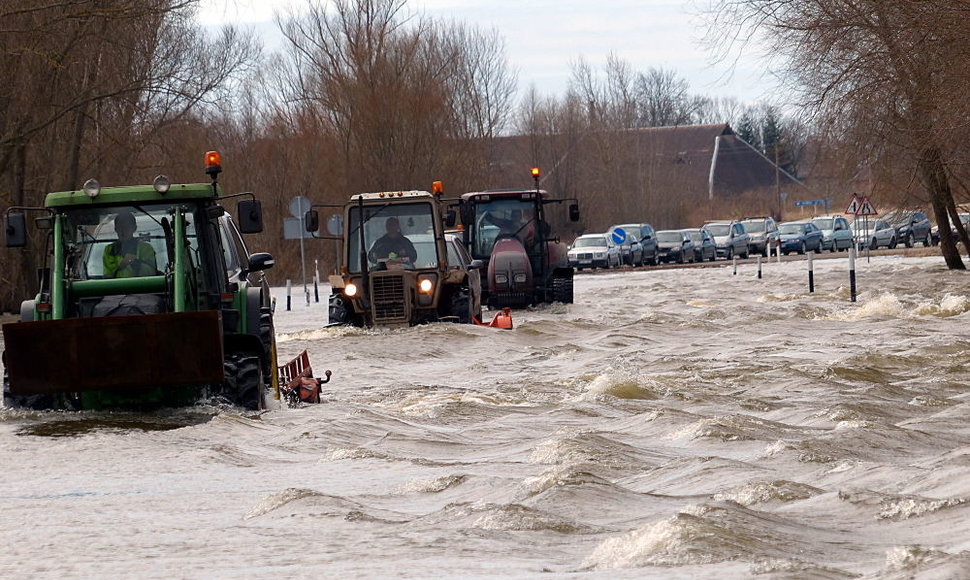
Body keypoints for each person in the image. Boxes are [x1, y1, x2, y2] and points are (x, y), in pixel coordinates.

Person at [103, 211, 157, 278]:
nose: (123, 231)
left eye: (127, 227)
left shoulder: (146, 248)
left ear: (134, 228)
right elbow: (107, 276)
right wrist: (121, 265)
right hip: (115, 288)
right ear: (115, 229)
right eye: (120, 227)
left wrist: (137, 264)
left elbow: (151, 273)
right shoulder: (109, 250)